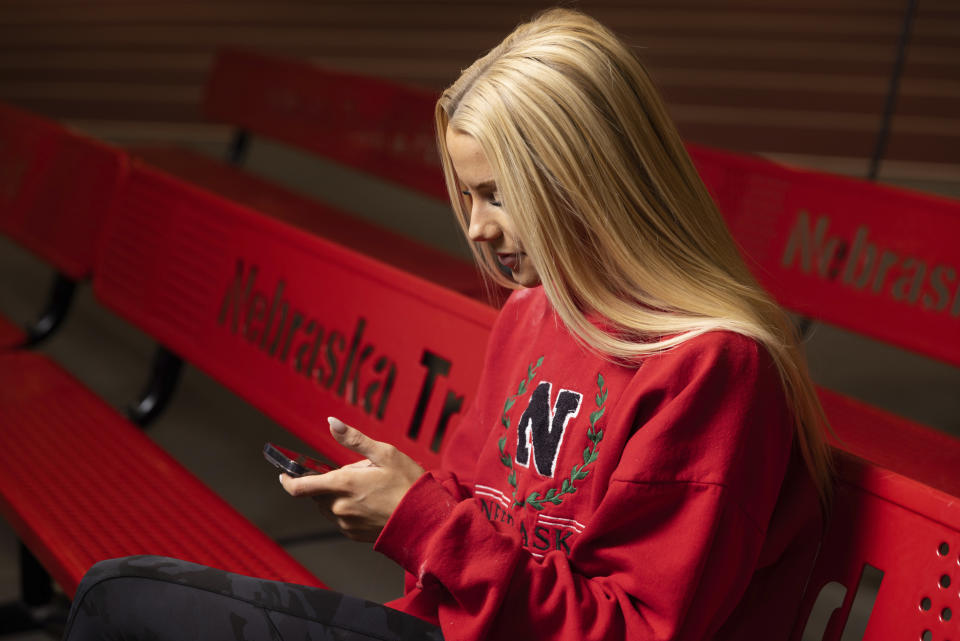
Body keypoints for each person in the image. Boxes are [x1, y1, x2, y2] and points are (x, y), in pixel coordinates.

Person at [62, 8, 831, 641]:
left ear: (589, 180)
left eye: (497, 194)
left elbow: (633, 629)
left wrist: (423, 522)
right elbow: (475, 513)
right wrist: (403, 500)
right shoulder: (533, 313)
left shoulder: (710, 366)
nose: (478, 229)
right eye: (467, 196)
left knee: (120, 600)